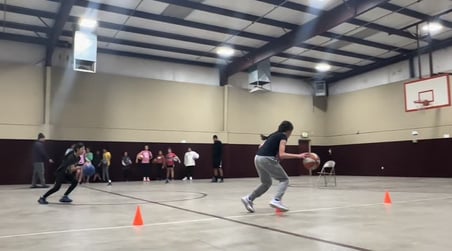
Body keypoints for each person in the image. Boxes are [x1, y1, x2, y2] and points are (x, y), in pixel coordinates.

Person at [240, 120, 314, 213]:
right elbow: (282, 154)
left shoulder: (273, 135)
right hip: (266, 159)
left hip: (257, 158)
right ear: (289, 131)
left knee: (266, 183)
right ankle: (277, 200)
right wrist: (299, 156)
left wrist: (274, 154)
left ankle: (249, 198)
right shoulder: (283, 136)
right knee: (284, 179)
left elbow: (260, 146)